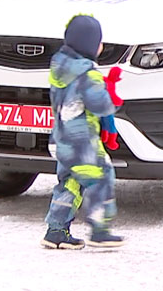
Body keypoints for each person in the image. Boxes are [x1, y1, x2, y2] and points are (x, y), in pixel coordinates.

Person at [41, 15, 125, 250]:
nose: (102, 46)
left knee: (70, 182)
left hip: (60, 140)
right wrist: (112, 96)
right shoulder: (89, 74)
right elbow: (102, 106)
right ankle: (100, 231)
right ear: (90, 45)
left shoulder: (58, 67)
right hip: (82, 143)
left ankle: (56, 230)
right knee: (102, 177)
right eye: (99, 41)